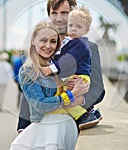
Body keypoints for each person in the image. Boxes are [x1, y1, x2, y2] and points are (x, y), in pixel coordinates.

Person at [17, 0, 105, 132]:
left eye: (64, 13)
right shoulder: (45, 46)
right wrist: (23, 124)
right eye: (54, 13)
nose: (58, 18)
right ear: (49, 15)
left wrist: (80, 98)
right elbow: (31, 85)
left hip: (73, 122)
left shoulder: (88, 47)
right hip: (42, 121)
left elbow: (98, 90)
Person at [10, 21, 89, 150]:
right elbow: (41, 105)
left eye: (53, 41)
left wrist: (70, 86)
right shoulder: (29, 70)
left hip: (67, 128)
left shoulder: (57, 66)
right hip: (48, 129)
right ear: (33, 40)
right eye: (43, 40)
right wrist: (72, 94)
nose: (48, 46)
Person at [41, 5, 98, 129]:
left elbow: (68, 60)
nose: (73, 29)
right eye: (71, 25)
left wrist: (52, 68)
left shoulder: (80, 44)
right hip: (75, 76)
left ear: (86, 30)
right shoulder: (71, 42)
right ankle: (85, 115)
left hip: (79, 77)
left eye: (78, 27)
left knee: (66, 99)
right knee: (66, 100)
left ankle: (86, 115)